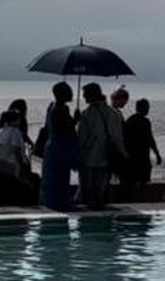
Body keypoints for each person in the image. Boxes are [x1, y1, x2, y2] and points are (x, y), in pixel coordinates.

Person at [75, 83, 126, 210]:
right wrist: (124, 154)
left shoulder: (87, 114)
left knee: (87, 191)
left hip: (88, 159)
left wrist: (76, 156)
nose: (83, 97)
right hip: (106, 158)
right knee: (101, 191)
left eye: (85, 94)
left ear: (91, 95)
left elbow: (82, 139)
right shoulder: (113, 113)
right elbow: (118, 138)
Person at [40, 82, 77, 211]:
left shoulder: (54, 107)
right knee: (58, 176)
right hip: (59, 148)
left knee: (56, 176)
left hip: (55, 147)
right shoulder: (59, 109)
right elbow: (62, 129)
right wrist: (75, 121)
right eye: (69, 91)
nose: (72, 94)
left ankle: (55, 201)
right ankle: (58, 202)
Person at [122, 99, 162, 200]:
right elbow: (150, 139)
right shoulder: (144, 122)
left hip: (132, 157)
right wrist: (157, 154)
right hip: (141, 157)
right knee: (141, 182)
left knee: (131, 183)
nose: (148, 109)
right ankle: (139, 199)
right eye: (147, 107)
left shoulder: (129, 121)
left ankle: (132, 199)